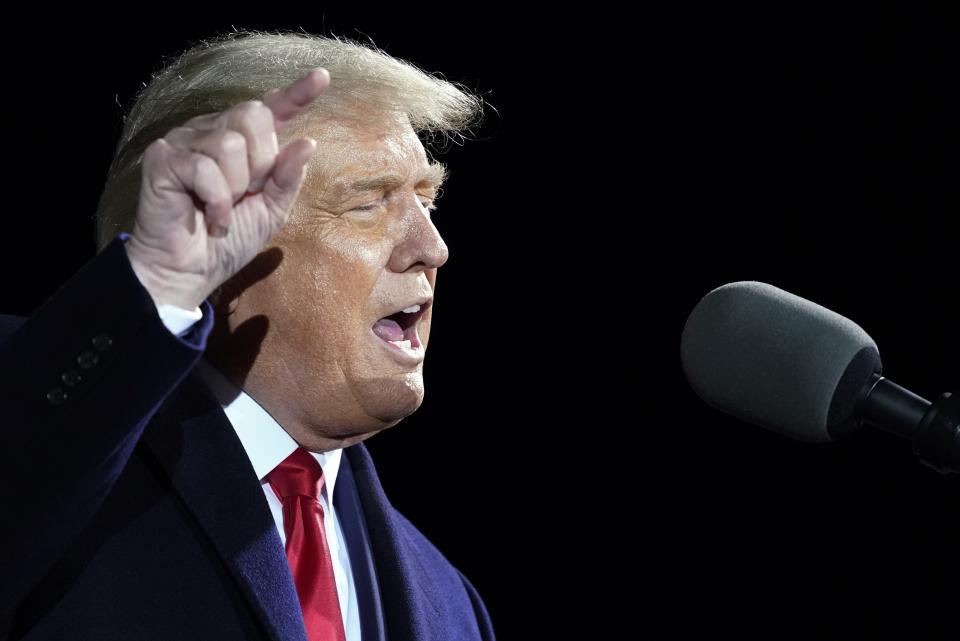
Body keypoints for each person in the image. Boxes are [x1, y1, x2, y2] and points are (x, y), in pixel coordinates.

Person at [0, 30, 494, 641]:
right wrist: (154, 278)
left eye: (428, 201)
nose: (432, 249)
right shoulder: (47, 443)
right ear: (214, 233)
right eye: (368, 203)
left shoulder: (452, 603)